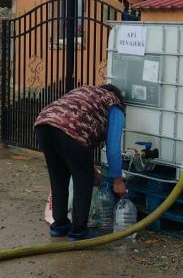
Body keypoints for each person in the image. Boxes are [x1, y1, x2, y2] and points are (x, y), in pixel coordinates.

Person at [34, 84, 127, 240]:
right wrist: (118, 181)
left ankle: (60, 225)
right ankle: (78, 231)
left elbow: (78, 147)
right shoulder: (114, 105)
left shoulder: (84, 92)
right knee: (83, 182)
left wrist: (91, 169)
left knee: (58, 178)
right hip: (70, 131)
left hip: (44, 124)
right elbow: (112, 149)